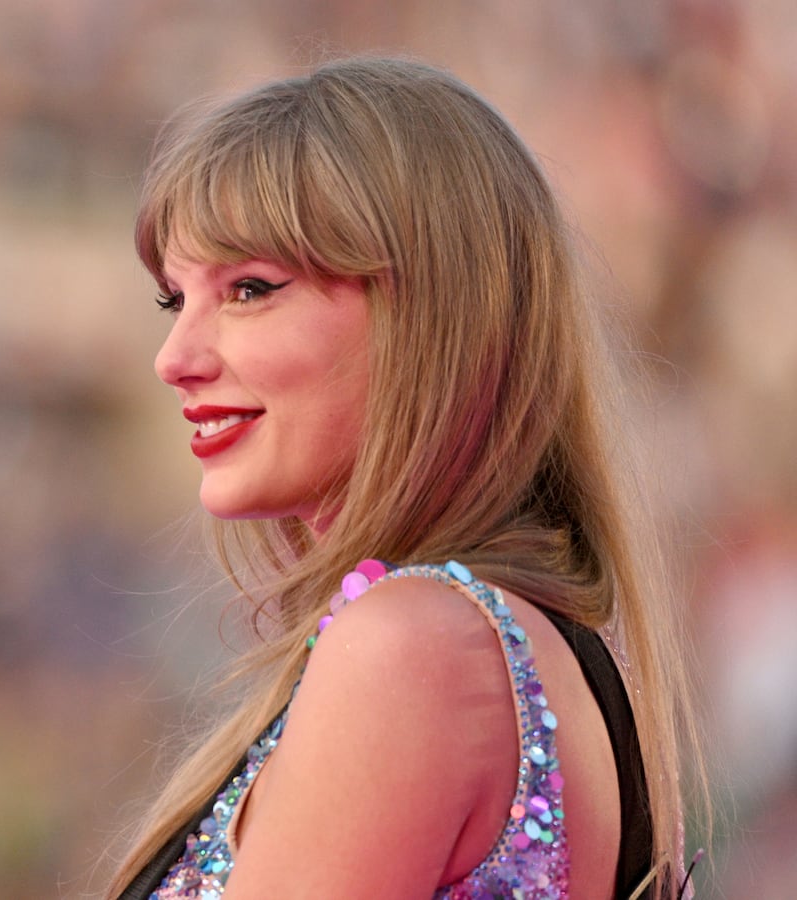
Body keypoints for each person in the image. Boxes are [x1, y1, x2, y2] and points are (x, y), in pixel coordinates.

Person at [108, 57, 702, 899]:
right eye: (175, 300)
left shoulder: (414, 648)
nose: (176, 359)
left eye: (248, 289)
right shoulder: (504, 637)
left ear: (429, 317)